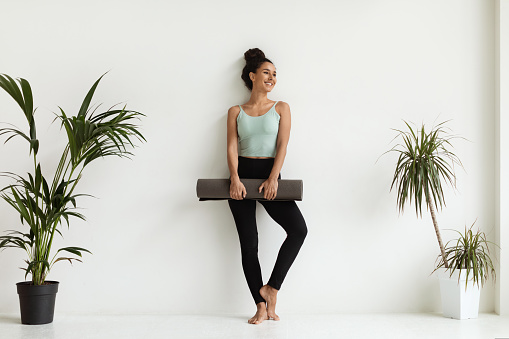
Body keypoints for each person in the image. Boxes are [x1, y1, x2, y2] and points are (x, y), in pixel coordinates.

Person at [226, 48, 308, 325]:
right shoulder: (235, 111)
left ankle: (271, 287)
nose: (272, 77)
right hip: (241, 176)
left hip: (268, 176)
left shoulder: (281, 107)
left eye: (275, 74)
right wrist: (234, 178)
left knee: (298, 230)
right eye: (266, 72)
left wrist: (274, 177)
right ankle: (260, 305)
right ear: (252, 76)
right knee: (249, 246)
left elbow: (283, 145)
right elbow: (231, 146)